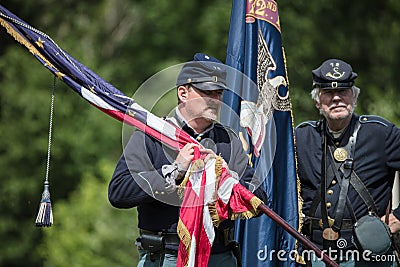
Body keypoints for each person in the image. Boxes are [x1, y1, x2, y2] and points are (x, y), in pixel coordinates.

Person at [108, 53, 266, 267]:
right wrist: (174, 171)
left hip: (218, 255)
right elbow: (119, 192)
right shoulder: (150, 136)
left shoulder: (228, 141)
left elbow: (259, 199)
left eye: (218, 93)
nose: (215, 100)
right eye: (206, 92)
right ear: (183, 93)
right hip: (166, 256)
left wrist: (228, 178)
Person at [295, 58, 400, 267]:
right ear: (317, 101)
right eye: (328, 93)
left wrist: (398, 218)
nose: (337, 98)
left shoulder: (381, 133)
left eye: (343, 91)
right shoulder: (301, 137)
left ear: (354, 96)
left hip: (369, 256)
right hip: (314, 254)